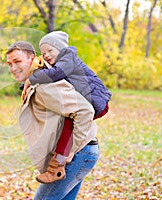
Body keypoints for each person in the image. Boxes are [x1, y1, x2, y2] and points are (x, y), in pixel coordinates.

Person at [6, 41, 99, 199]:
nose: (13, 68)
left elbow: (85, 110)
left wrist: (68, 152)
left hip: (76, 155)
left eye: (17, 61)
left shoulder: (44, 86)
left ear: (32, 58)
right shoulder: (38, 83)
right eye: (9, 63)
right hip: (83, 152)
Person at [23, 31, 111, 184]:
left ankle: (58, 164)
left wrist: (31, 79)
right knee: (68, 122)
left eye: (50, 50)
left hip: (97, 101)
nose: (46, 55)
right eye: (43, 53)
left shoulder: (68, 57)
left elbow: (56, 73)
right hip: (90, 99)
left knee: (68, 124)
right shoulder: (62, 61)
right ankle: (58, 163)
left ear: (61, 48)